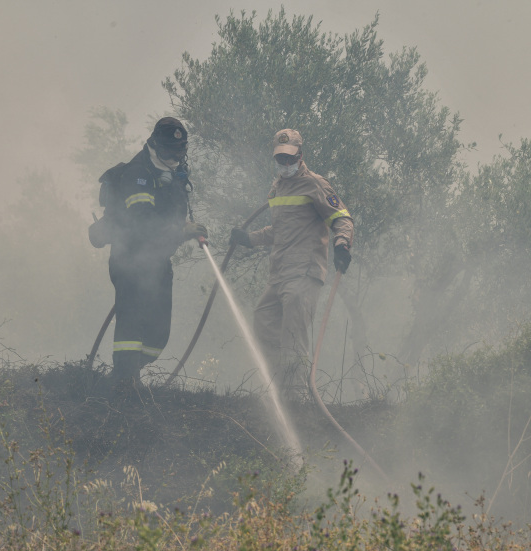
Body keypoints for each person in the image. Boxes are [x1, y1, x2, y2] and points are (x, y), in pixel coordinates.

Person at [229, 129, 353, 394]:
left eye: (289, 159)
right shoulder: (277, 188)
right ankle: (279, 390)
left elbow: (341, 217)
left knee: (293, 336)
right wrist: (248, 239)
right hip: (279, 273)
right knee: (263, 321)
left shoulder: (316, 184)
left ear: (300, 155)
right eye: (280, 160)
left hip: (304, 272)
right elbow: (279, 231)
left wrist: (342, 243)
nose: (285, 165)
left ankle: (296, 400)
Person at [106, 117, 207, 386]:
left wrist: (185, 227)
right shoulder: (137, 173)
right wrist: (180, 232)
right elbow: (140, 222)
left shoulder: (173, 172)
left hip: (158, 262)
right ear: (153, 144)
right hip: (130, 261)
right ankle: (124, 384)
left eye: (179, 152)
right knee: (131, 325)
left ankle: (124, 376)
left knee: (158, 334)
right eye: (169, 151)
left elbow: (167, 215)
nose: (174, 157)